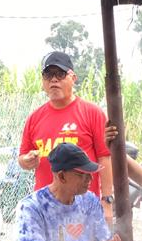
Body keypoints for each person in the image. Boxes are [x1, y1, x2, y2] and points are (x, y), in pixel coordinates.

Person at [18, 51, 114, 221]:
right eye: (48, 75)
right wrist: (26, 161)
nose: (54, 80)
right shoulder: (34, 118)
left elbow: (104, 158)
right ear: (43, 81)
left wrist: (107, 201)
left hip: (83, 209)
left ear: (73, 78)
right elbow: (22, 158)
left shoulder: (92, 113)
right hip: (46, 210)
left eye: (60, 74)